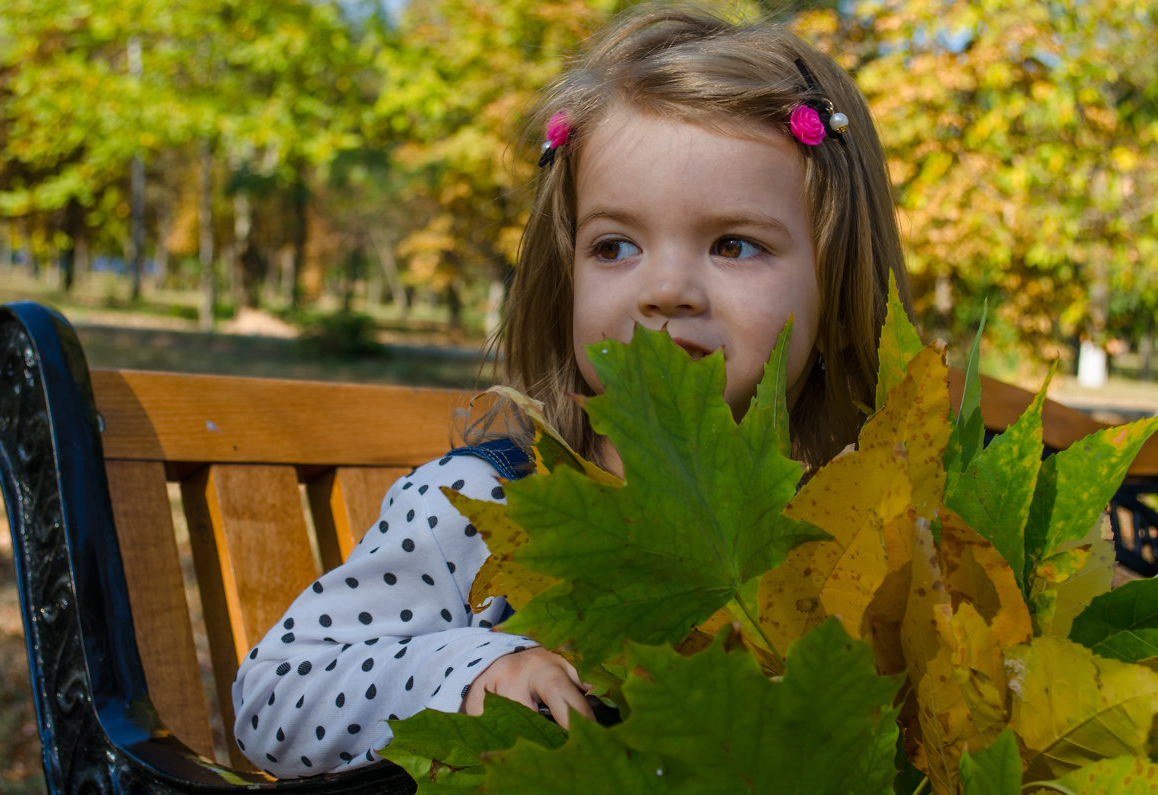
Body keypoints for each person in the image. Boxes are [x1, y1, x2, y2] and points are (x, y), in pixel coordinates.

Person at [231, 2, 914, 778]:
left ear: (838, 277)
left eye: (734, 244)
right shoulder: (488, 505)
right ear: (567, 275)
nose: (665, 289)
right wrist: (471, 671)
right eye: (615, 245)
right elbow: (270, 699)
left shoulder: (862, 515)